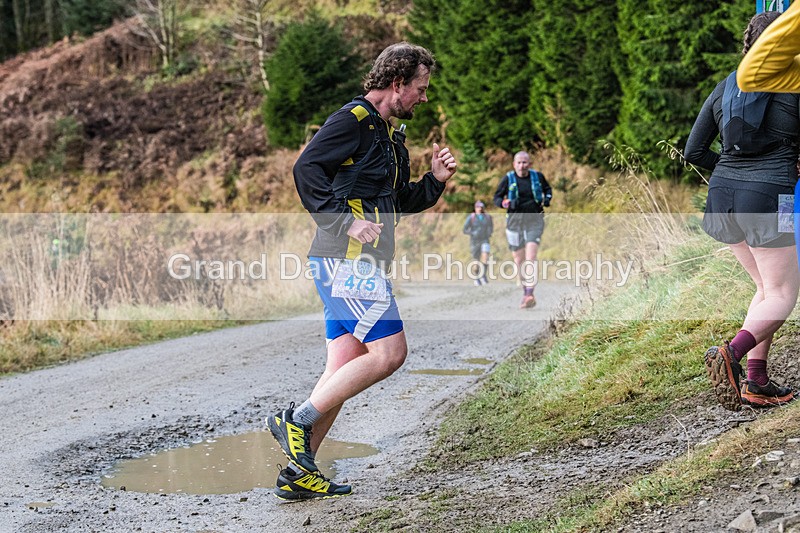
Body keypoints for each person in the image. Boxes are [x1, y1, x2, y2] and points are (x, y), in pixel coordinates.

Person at [267, 42, 457, 500]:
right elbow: (306, 168)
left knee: (345, 366)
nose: (424, 98)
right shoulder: (351, 120)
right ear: (396, 83)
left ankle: (299, 471)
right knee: (390, 353)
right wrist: (345, 220)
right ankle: (297, 421)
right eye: (420, 88)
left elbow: (396, 202)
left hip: (360, 263)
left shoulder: (390, 136)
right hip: (344, 260)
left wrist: (434, 182)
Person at [684, 12, 799, 411]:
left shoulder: (724, 86)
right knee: (785, 293)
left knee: (767, 289)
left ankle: (756, 380)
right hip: (771, 199)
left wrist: (734, 174)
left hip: (721, 198)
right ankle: (730, 355)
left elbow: (693, 152)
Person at [493, 151, 552, 308]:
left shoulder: (538, 177)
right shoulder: (508, 178)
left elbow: (548, 190)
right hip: (514, 222)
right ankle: (525, 289)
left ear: (529, 164)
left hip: (534, 221)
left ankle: (529, 294)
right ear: (514, 164)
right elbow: (497, 198)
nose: (522, 165)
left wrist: (547, 200)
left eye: (525, 162)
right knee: (519, 260)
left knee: (531, 258)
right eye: (519, 162)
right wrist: (505, 203)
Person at [463, 200, 493, 286]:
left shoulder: (487, 217)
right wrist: (472, 233)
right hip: (474, 241)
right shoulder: (471, 217)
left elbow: (491, 227)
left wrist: (489, 233)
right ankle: (476, 277)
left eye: (481, 207)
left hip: (485, 240)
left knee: (485, 258)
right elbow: (465, 229)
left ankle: (483, 275)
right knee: (476, 260)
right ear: (475, 208)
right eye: (478, 207)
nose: (479, 209)